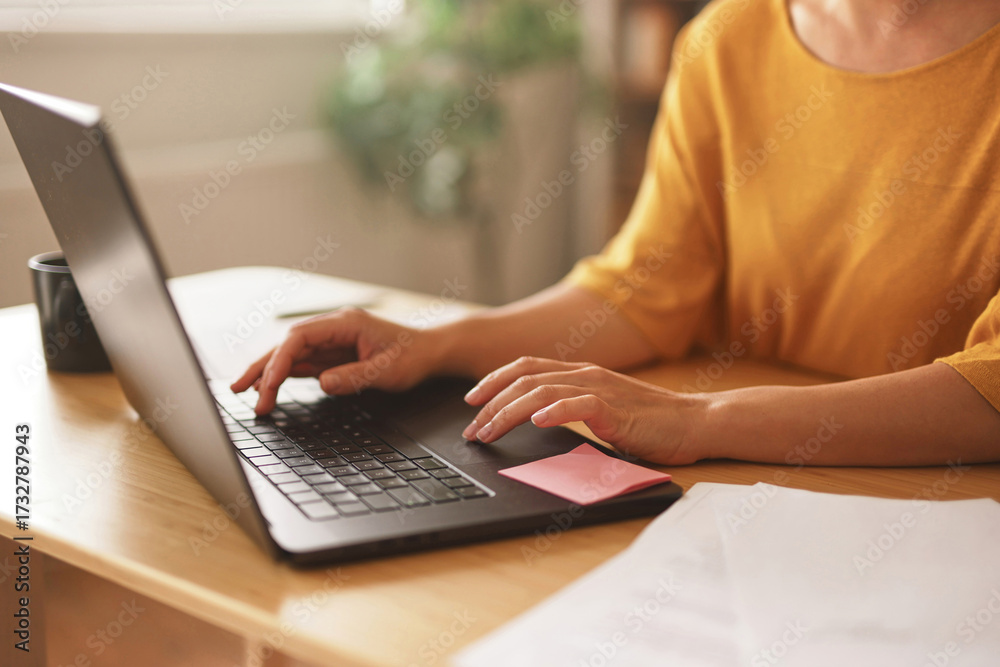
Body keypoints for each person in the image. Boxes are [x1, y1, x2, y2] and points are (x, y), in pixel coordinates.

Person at [233, 0, 1000, 466]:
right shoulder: (726, 40)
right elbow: (644, 289)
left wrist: (703, 419)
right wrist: (435, 345)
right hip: (755, 490)